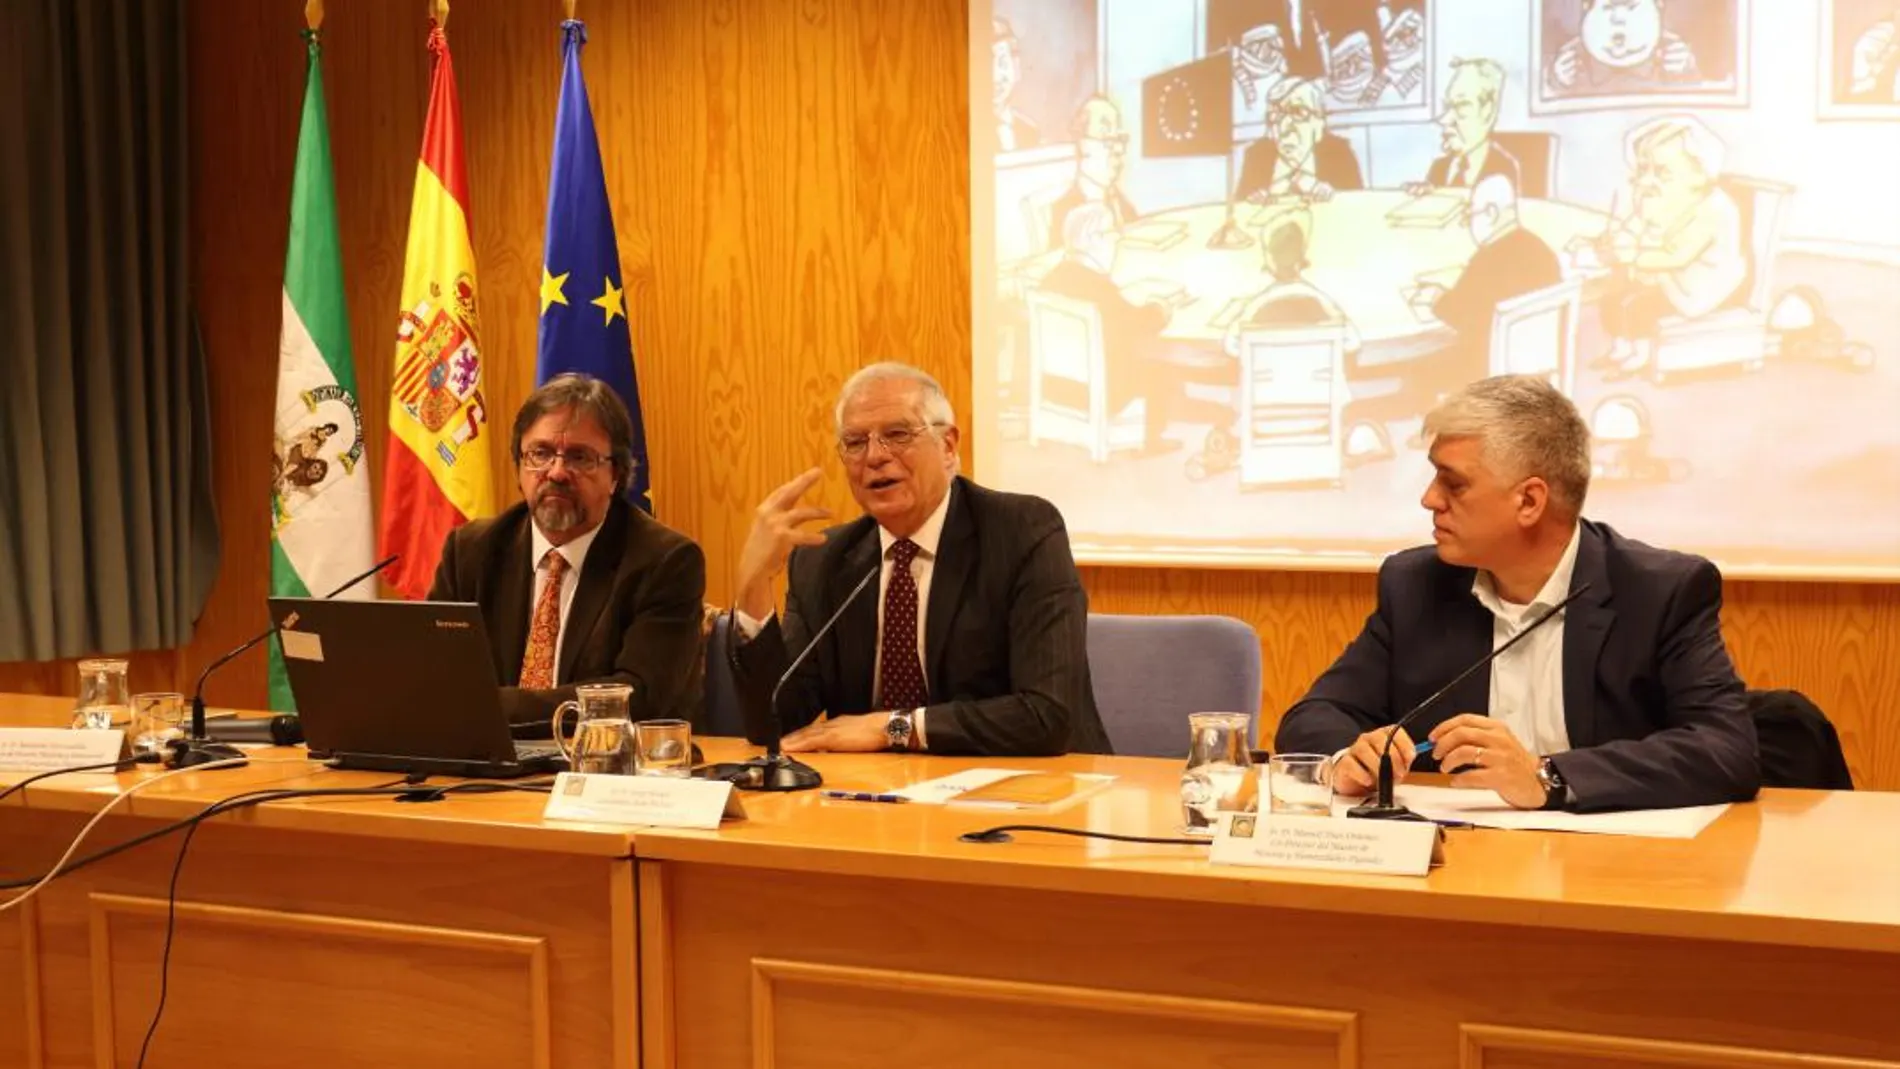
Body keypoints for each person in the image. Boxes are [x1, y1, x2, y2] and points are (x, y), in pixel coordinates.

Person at [1276, 375, 1759, 812]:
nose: (1429, 499)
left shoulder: (1657, 590)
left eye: (1454, 483)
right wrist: (1346, 759)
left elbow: (1725, 749)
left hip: (1613, 874)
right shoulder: (1416, 585)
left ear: (1529, 500)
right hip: (1456, 867)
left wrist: (1545, 777)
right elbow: (1315, 715)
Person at [728, 363, 1110, 756]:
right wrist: (754, 586)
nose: (875, 456)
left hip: (1032, 787)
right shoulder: (825, 560)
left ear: (948, 446)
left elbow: (1046, 715)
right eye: (855, 442)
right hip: (874, 798)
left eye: (897, 434)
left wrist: (895, 727)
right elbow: (771, 722)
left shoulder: (1021, 532)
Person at [427, 374, 707, 730]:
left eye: (580, 457)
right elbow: (432, 673)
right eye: (540, 454)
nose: (557, 472)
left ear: (616, 475)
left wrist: (490, 705)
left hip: (606, 771)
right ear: (519, 466)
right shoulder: (471, 551)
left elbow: (638, 697)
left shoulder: (664, 561)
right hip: (483, 764)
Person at [1579, 115, 1746, 380]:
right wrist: (1616, 240)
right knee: (1613, 298)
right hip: (1669, 278)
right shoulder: (1670, 196)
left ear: (1698, 173)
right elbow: (1639, 227)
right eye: (1643, 170)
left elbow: (1677, 256)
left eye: (1661, 171)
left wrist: (1627, 255)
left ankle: (1640, 354)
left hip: (1700, 286)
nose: (1646, 180)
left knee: (1638, 305)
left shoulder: (1714, 208)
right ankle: (1621, 347)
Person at [1036, 202, 1183, 456]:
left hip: (1054, 387)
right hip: (1098, 394)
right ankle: (1150, 440)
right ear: (1095, 239)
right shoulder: (1102, 291)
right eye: (1112, 234)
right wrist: (1161, 309)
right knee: (1161, 369)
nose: (1116, 243)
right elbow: (1137, 325)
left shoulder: (1050, 279)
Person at [1415, 173, 1562, 369]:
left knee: (1419, 370)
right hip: (1537, 363)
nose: (1468, 224)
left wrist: (1437, 299)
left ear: (1491, 213)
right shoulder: (1541, 250)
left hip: (1488, 366)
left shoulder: (1487, 260)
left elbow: (1466, 318)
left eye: (1469, 215)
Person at [1234, 78, 1363, 204]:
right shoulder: (1257, 155)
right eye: (1275, 115)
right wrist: (1251, 201)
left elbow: (1361, 208)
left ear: (1318, 125)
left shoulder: (1339, 153)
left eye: (1298, 112)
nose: (1284, 127)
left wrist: (1337, 197)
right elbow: (1235, 212)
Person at [1405, 59, 1520, 194]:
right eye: (1447, 107)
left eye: (1461, 106)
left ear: (1487, 111)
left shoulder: (1504, 167)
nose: (1445, 120)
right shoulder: (1439, 167)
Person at [1545, 0, 1700, 95]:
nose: (1619, 19)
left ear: (1658, 6)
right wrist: (1559, 80)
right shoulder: (1573, 55)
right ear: (1587, 9)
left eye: (1632, 7)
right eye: (1607, 8)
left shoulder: (1671, 49)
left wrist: (1685, 71)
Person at [1048, 96, 1138, 250]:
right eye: (1107, 138)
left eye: (1120, 139)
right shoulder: (1065, 212)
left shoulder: (1123, 207)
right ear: (1082, 145)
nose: (1119, 150)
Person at [990, 18, 1040, 153]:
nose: (995, 76)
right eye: (986, 63)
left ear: (1016, 68)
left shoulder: (1029, 131)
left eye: (1003, 62)